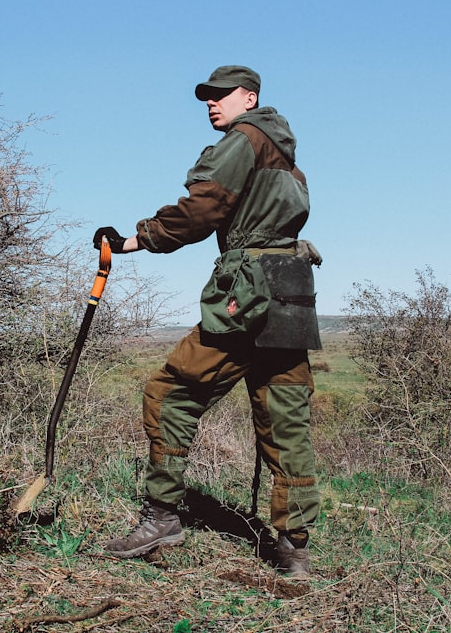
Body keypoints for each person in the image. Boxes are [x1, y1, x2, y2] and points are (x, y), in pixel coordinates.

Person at [94, 65, 322, 577]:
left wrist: (134, 240)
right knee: (285, 420)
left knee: (170, 394)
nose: (212, 104)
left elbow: (203, 212)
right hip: (289, 292)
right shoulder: (287, 157)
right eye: (207, 98)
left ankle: (162, 517)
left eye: (222, 96)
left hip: (247, 295)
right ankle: (294, 550)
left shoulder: (244, 139)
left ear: (251, 97)